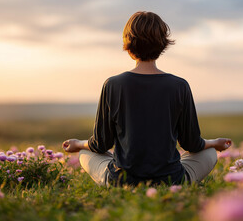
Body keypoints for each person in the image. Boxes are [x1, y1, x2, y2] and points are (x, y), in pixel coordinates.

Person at [62, 11, 232, 186]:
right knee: (209, 153)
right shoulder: (179, 86)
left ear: (128, 43)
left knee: (86, 153)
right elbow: (192, 144)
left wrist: (78, 144)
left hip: (122, 181)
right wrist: (214, 143)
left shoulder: (113, 84)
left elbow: (100, 144)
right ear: (163, 43)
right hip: (171, 181)